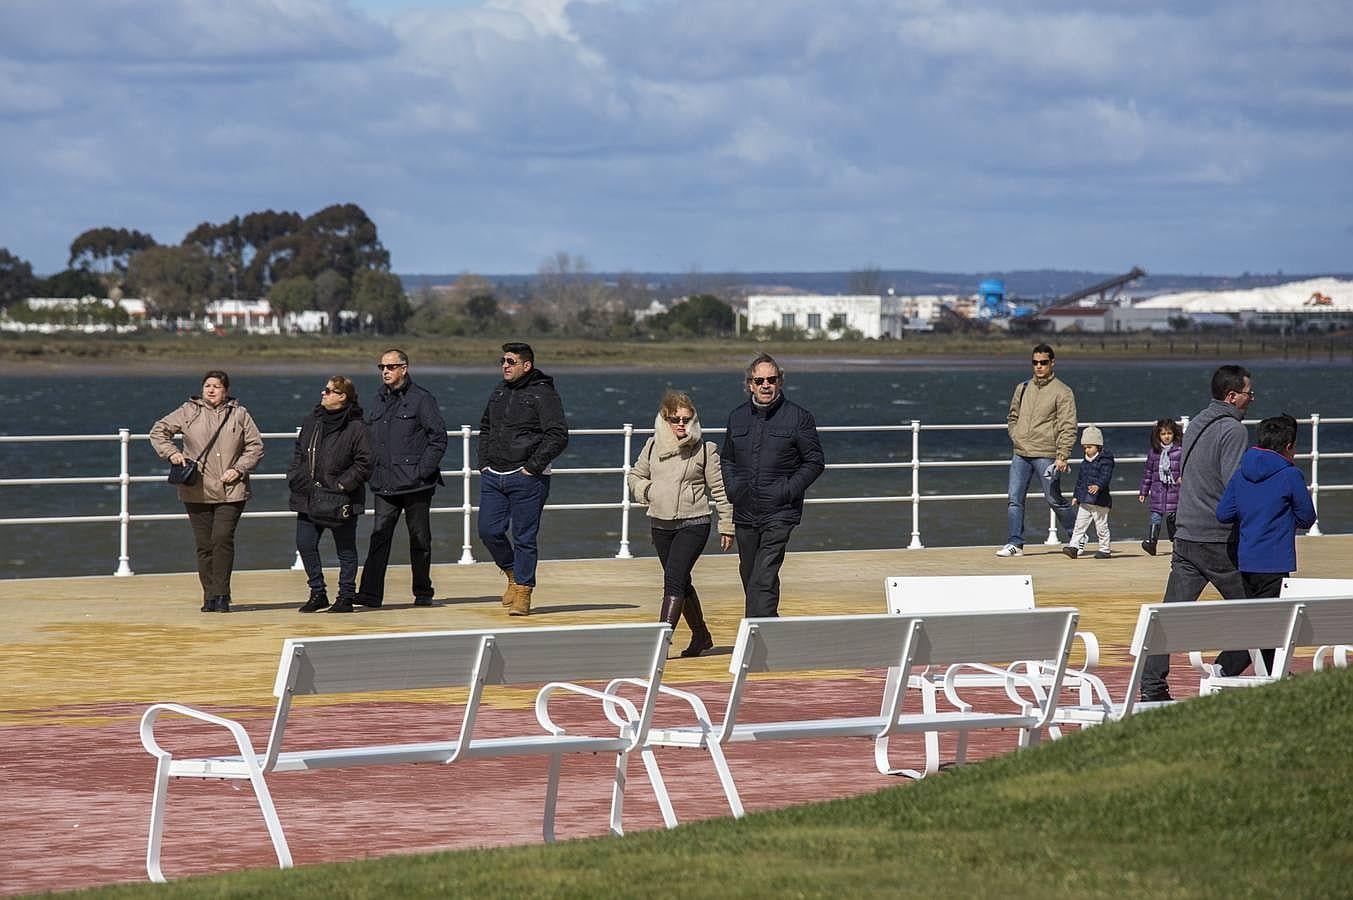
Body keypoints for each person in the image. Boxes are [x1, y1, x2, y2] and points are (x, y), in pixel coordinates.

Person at [1140, 364, 1255, 702]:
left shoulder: (1196, 425)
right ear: (1232, 396)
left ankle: (1152, 686)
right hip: (1217, 538)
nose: (1252, 399)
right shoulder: (1234, 431)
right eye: (1249, 393)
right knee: (1261, 611)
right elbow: (1234, 485)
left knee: (1169, 616)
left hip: (1185, 534)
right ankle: (1231, 669)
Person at [628, 390, 735, 657]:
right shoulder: (652, 446)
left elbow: (720, 490)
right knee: (681, 581)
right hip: (660, 524)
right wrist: (648, 491)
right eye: (675, 418)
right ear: (664, 419)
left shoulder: (705, 450)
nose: (681, 424)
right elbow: (635, 476)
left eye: (686, 419)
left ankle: (659, 643)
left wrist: (726, 525)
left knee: (673, 580)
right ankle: (701, 636)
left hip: (694, 524)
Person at [149, 369, 264, 613]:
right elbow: (159, 431)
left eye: (216, 386)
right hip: (196, 489)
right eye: (207, 386)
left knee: (221, 539)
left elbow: (255, 446)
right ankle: (209, 596)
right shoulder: (189, 411)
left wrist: (239, 469)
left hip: (231, 489)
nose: (211, 390)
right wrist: (172, 453)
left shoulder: (240, 414)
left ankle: (222, 594)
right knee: (204, 544)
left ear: (227, 391)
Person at [721, 353, 825, 618]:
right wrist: (734, 489)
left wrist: (787, 490)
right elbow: (727, 459)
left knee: (764, 576)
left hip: (779, 512)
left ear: (780, 382)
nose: (766, 385)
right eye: (760, 380)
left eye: (771, 379)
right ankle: (768, 625)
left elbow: (814, 462)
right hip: (744, 510)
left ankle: (756, 635)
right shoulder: (737, 417)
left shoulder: (799, 417)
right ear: (750, 384)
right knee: (750, 572)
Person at [1215, 413, 1318, 675]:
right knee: (1267, 624)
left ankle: (1275, 673)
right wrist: (1284, 518)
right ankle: (1223, 668)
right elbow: (1307, 517)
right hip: (1275, 561)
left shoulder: (1241, 474)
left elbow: (1224, 514)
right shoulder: (1290, 475)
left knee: (1263, 620)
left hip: (1246, 560)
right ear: (1288, 446)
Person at [478, 342, 569, 617]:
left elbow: (558, 435)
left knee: (524, 538)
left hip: (528, 478)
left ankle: (524, 592)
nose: (504, 365)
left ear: (526, 365)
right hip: (494, 475)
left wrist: (532, 467)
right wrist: (483, 463)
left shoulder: (543, 394)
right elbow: (485, 427)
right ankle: (512, 574)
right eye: (502, 361)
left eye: (510, 361)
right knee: (488, 531)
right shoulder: (498, 392)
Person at [354, 349, 447, 609]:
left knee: (420, 539)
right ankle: (370, 594)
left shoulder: (422, 399)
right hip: (384, 483)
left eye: (391, 366)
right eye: (381, 367)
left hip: (417, 484)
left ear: (404, 368)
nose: (385, 371)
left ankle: (422, 591)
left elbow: (438, 438)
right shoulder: (378, 399)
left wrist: (422, 471)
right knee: (379, 536)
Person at [286, 376, 374, 613]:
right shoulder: (312, 421)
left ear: (342, 396)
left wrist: (342, 485)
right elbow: (299, 452)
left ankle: (345, 597)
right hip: (308, 495)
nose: (322, 394)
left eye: (328, 391)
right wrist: (295, 476)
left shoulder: (357, 427)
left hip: (341, 499)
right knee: (304, 544)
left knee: (345, 549)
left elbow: (365, 463)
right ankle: (317, 593)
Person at [998, 343, 1078, 557]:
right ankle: (1015, 543)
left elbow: (1068, 425)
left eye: (1043, 362)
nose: (1039, 366)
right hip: (1021, 452)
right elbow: (1012, 416)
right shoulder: (1022, 387)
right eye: (1035, 363)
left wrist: (1062, 455)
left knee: (1053, 498)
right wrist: (1015, 435)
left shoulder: (1062, 391)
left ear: (1052, 363)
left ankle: (1076, 535)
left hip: (1046, 453)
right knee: (1014, 499)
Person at [1063, 425, 1115, 559]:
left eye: (1089, 447)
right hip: (1085, 499)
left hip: (1100, 500)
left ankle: (1105, 549)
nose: (1087, 450)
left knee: (1101, 526)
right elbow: (1080, 481)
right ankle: (1073, 547)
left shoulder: (1106, 461)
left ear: (1098, 446)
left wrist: (1098, 485)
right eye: (1084, 447)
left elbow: (1106, 476)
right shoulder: (1084, 463)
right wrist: (1076, 495)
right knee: (1079, 525)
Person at [1137, 418, 1183, 556]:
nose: (1166, 436)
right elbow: (1148, 473)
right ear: (1158, 436)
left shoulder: (1180, 451)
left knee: (1173, 518)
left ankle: (1176, 542)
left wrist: (1183, 478)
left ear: (1174, 434)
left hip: (1175, 491)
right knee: (1155, 517)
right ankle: (1152, 542)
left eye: (1169, 433)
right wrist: (1143, 491)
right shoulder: (1154, 452)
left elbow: (1185, 467)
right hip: (1158, 491)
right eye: (1163, 434)